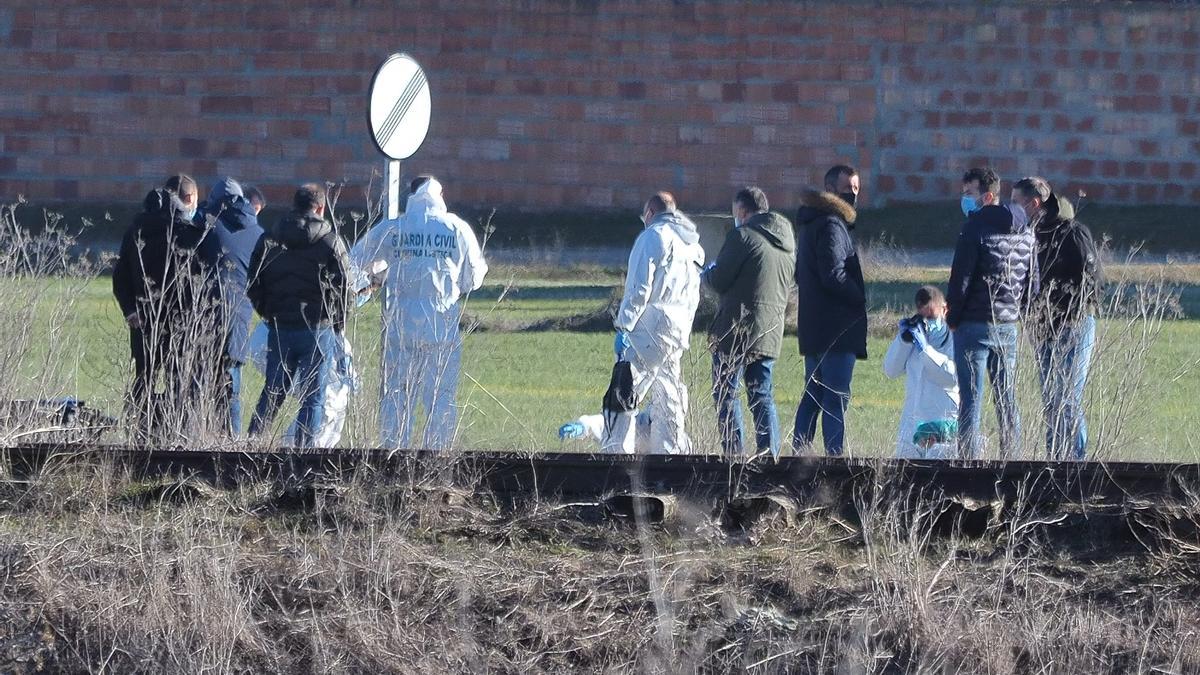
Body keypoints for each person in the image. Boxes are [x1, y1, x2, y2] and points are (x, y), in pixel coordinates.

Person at [559, 192, 705, 454]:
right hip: (678, 330)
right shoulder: (691, 246)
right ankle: (668, 452)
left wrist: (624, 326)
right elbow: (693, 296)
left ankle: (617, 451)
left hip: (650, 326)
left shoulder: (653, 236)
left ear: (650, 212)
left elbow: (639, 288)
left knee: (625, 387)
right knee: (668, 393)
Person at [351, 176, 488, 450]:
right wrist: (453, 289)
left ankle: (394, 454)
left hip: (400, 325)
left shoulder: (393, 228)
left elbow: (354, 262)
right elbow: (473, 277)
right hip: (441, 325)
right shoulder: (456, 228)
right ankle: (436, 458)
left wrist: (377, 278)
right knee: (440, 396)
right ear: (440, 194)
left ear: (410, 196)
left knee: (396, 395)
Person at [112, 174, 223, 442]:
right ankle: (176, 433)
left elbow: (120, 277)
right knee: (178, 378)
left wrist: (130, 310)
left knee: (144, 377)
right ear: (187, 202)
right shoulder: (190, 234)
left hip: (144, 319)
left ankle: (137, 430)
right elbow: (206, 280)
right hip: (180, 322)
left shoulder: (136, 231)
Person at [246, 183, 352, 447]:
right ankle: (304, 455)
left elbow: (253, 281)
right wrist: (338, 322)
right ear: (321, 208)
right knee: (313, 396)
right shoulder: (330, 241)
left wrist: (268, 313)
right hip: (317, 328)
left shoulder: (271, 238)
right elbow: (346, 288)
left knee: (272, 393)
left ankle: (250, 447)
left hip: (280, 326)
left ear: (295, 204)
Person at [947, 167, 1038, 459]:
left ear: (987, 196)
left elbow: (960, 279)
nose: (965, 200)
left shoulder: (974, 228)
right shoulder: (1025, 229)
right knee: (1007, 398)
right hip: (1008, 325)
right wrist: (1018, 313)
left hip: (973, 324)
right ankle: (1012, 462)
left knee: (971, 400)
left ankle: (967, 466)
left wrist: (953, 318)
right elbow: (1032, 283)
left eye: (969, 194)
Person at [1013, 177, 1103, 460]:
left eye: (1017, 203)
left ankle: (1075, 463)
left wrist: (1068, 311)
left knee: (1067, 398)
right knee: (1050, 401)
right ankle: (1054, 462)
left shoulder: (1072, 233)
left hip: (1073, 326)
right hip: (1043, 329)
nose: (1013, 209)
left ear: (1034, 203)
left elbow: (1093, 281)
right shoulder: (1029, 237)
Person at [703, 187, 795, 458]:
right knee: (762, 395)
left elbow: (720, 280)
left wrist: (705, 275)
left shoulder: (741, 236)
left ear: (742, 212)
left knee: (726, 394)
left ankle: (734, 455)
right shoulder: (786, 242)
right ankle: (770, 457)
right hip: (769, 331)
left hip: (736, 329)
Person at [792, 166, 869, 456]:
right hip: (835, 329)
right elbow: (833, 274)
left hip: (815, 327)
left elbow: (802, 275)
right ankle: (833, 459)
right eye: (848, 188)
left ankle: (801, 455)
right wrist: (858, 296)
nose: (854, 194)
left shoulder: (811, 223)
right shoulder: (832, 225)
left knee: (814, 394)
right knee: (835, 396)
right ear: (830, 190)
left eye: (857, 188)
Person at [196, 177, 264, 437]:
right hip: (239, 317)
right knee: (231, 388)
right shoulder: (258, 232)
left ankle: (200, 440)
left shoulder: (207, 226)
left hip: (206, 317)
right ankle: (232, 444)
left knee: (199, 387)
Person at [882, 286, 959, 458]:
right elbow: (890, 370)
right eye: (922, 317)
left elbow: (951, 377)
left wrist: (926, 350)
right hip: (911, 429)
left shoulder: (956, 338)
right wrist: (903, 342)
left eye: (931, 317)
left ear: (944, 309)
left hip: (942, 429)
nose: (927, 323)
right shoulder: (915, 334)